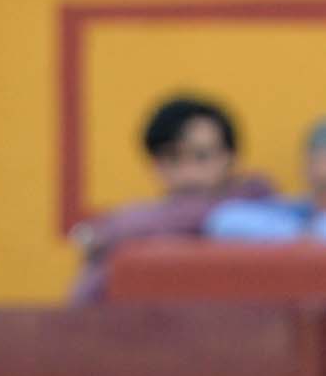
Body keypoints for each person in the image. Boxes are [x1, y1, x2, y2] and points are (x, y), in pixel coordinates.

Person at [69, 95, 275, 301]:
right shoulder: (125, 236)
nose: (188, 172)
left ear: (230, 158)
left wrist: (111, 232)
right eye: (173, 159)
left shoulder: (260, 215)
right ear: (156, 165)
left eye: (201, 156)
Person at [206, 116, 326, 242]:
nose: (321, 171)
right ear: (306, 166)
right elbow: (223, 222)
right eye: (316, 161)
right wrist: (305, 233)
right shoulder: (292, 210)